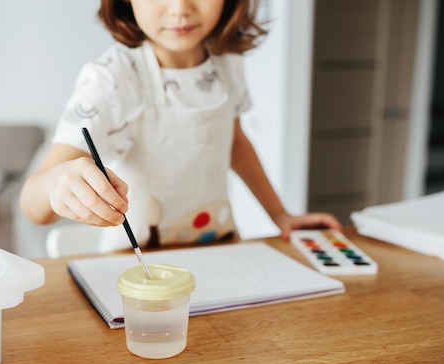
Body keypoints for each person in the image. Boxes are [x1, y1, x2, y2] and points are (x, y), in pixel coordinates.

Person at [20, 0, 341, 253]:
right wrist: (55, 184)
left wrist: (281, 215)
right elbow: (33, 207)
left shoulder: (227, 61)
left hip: (220, 253)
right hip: (137, 274)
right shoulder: (111, 79)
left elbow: (234, 142)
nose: (179, 8)